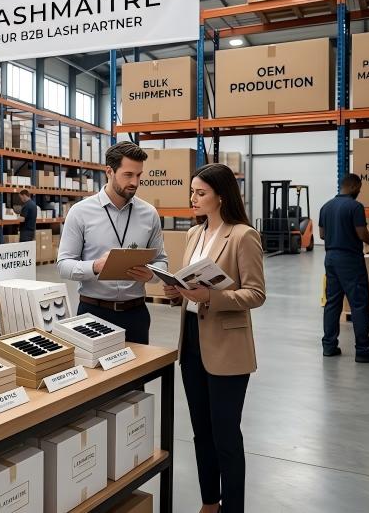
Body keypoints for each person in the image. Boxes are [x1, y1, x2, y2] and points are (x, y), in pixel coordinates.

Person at [163, 163, 266, 513]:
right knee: (201, 432)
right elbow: (189, 287)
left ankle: (233, 508)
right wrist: (176, 292)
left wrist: (211, 297)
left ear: (221, 196)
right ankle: (209, 503)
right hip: (191, 341)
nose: (193, 199)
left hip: (227, 345)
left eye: (200, 193)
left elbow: (256, 294)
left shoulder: (242, 236)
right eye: (192, 192)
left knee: (225, 435)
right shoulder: (194, 234)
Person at [56, 142, 168, 344]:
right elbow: (63, 265)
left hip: (136, 315)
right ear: (109, 171)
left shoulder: (149, 214)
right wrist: (95, 266)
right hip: (93, 314)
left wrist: (152, 275)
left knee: (139, 366)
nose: (135, 182)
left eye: (139, 175)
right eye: (128, 175)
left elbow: (161, 261)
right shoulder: (80, 212)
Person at [319, 173, 369, 363]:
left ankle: (329, 346)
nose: (359, 191)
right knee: (358, 303)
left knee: (332, 303)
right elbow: (362, 234)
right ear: (352, 186)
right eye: (359, 188)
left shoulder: (326, 206)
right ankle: (363, 350)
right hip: (350, 259)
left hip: (330, 258)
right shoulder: (355, 206)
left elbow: (322, 235)